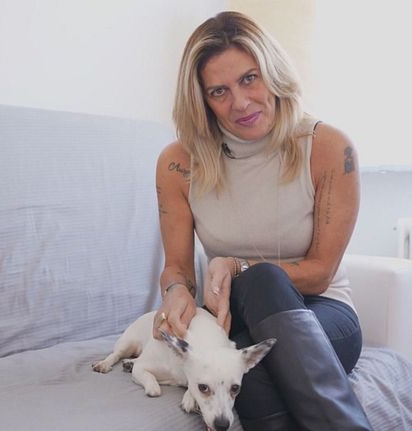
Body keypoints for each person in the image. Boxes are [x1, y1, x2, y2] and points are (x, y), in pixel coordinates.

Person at [152, 11, 373, 431]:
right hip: (236, 319)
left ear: (273, 72)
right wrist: (176, 292)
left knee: (262, 286)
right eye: (219, 91)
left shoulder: (327, 148)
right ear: (202, 100)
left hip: (322, 314)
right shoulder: (178, 164)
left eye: (250, 78)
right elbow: (177, 267)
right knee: (236, 368)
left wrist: (238, 266)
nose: (240, 102)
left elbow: (320, 273)